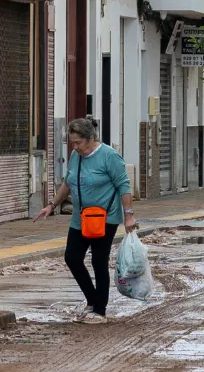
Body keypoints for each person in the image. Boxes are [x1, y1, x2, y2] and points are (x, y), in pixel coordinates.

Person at [35, 117, 135, 324]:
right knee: (72, 258)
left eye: (79, 142)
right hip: (81, 218)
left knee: (99, 261)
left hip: (105, 218)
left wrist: (129, 215)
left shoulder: (109, 156)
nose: (76, 147)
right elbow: (68, 183)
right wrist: (51, 205)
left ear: (91, 138)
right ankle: (92, 300)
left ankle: (100, 311)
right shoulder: (76, 156)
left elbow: (124, 186)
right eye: (73, 143)